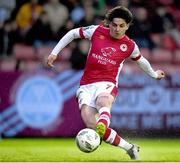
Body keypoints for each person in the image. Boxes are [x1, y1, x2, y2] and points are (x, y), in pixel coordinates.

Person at [47, 6, 165, 160]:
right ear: (109, 23)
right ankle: (129, 147)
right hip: (86, 86)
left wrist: (154, 74)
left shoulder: (129, 46)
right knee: (91, 125)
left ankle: (103, 121)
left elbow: (141, 61)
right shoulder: (96, 31)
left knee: (104, 100)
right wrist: (54, 53)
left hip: (107, 83)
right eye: (114, 25)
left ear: (127, 26)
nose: (117, 29)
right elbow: (72, 33)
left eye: (122, 26)